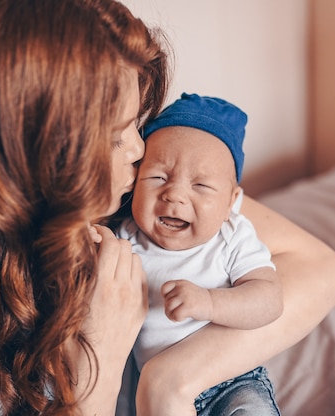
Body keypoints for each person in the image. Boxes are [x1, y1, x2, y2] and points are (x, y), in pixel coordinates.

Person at [0, 0, 335, 415]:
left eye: (137, 123)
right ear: (28, 163)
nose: (139, 151)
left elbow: (324, 270)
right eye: (114, 138)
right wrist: (96, 376)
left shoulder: (134, 200)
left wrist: (172, 377)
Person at [117, 93, 283, 415]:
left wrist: (208, 302)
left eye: (201, 186)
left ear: (231, 202)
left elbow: (269, 299)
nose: (175, 194)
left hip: (232, 383)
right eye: (158, 177)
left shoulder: (231, 236)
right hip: (153, 393)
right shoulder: (126, 237)